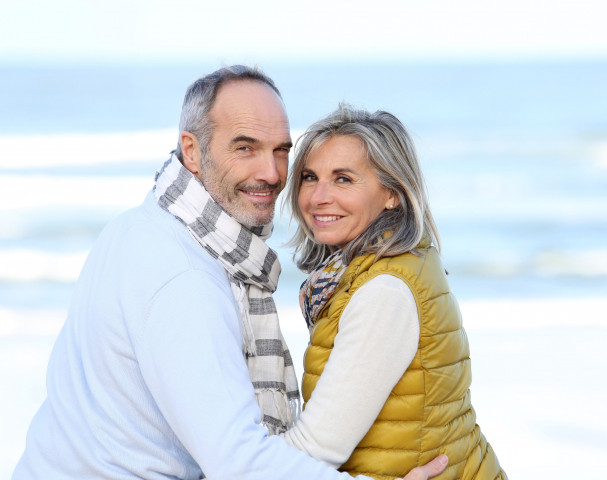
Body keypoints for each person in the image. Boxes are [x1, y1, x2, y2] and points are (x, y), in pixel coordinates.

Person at [13, 66, 448, 480]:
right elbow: (238, 463)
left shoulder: (138, 226)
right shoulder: (185, 275)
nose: (273, 173)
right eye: (245, 148)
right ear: (192, 151)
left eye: (281, 150)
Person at [283, 104, 507, 480]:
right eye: (309, 177)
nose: (318, 197)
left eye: (343, 179)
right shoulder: (397, 261)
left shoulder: (382, 291)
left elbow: (315, 449)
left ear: (392, 193)